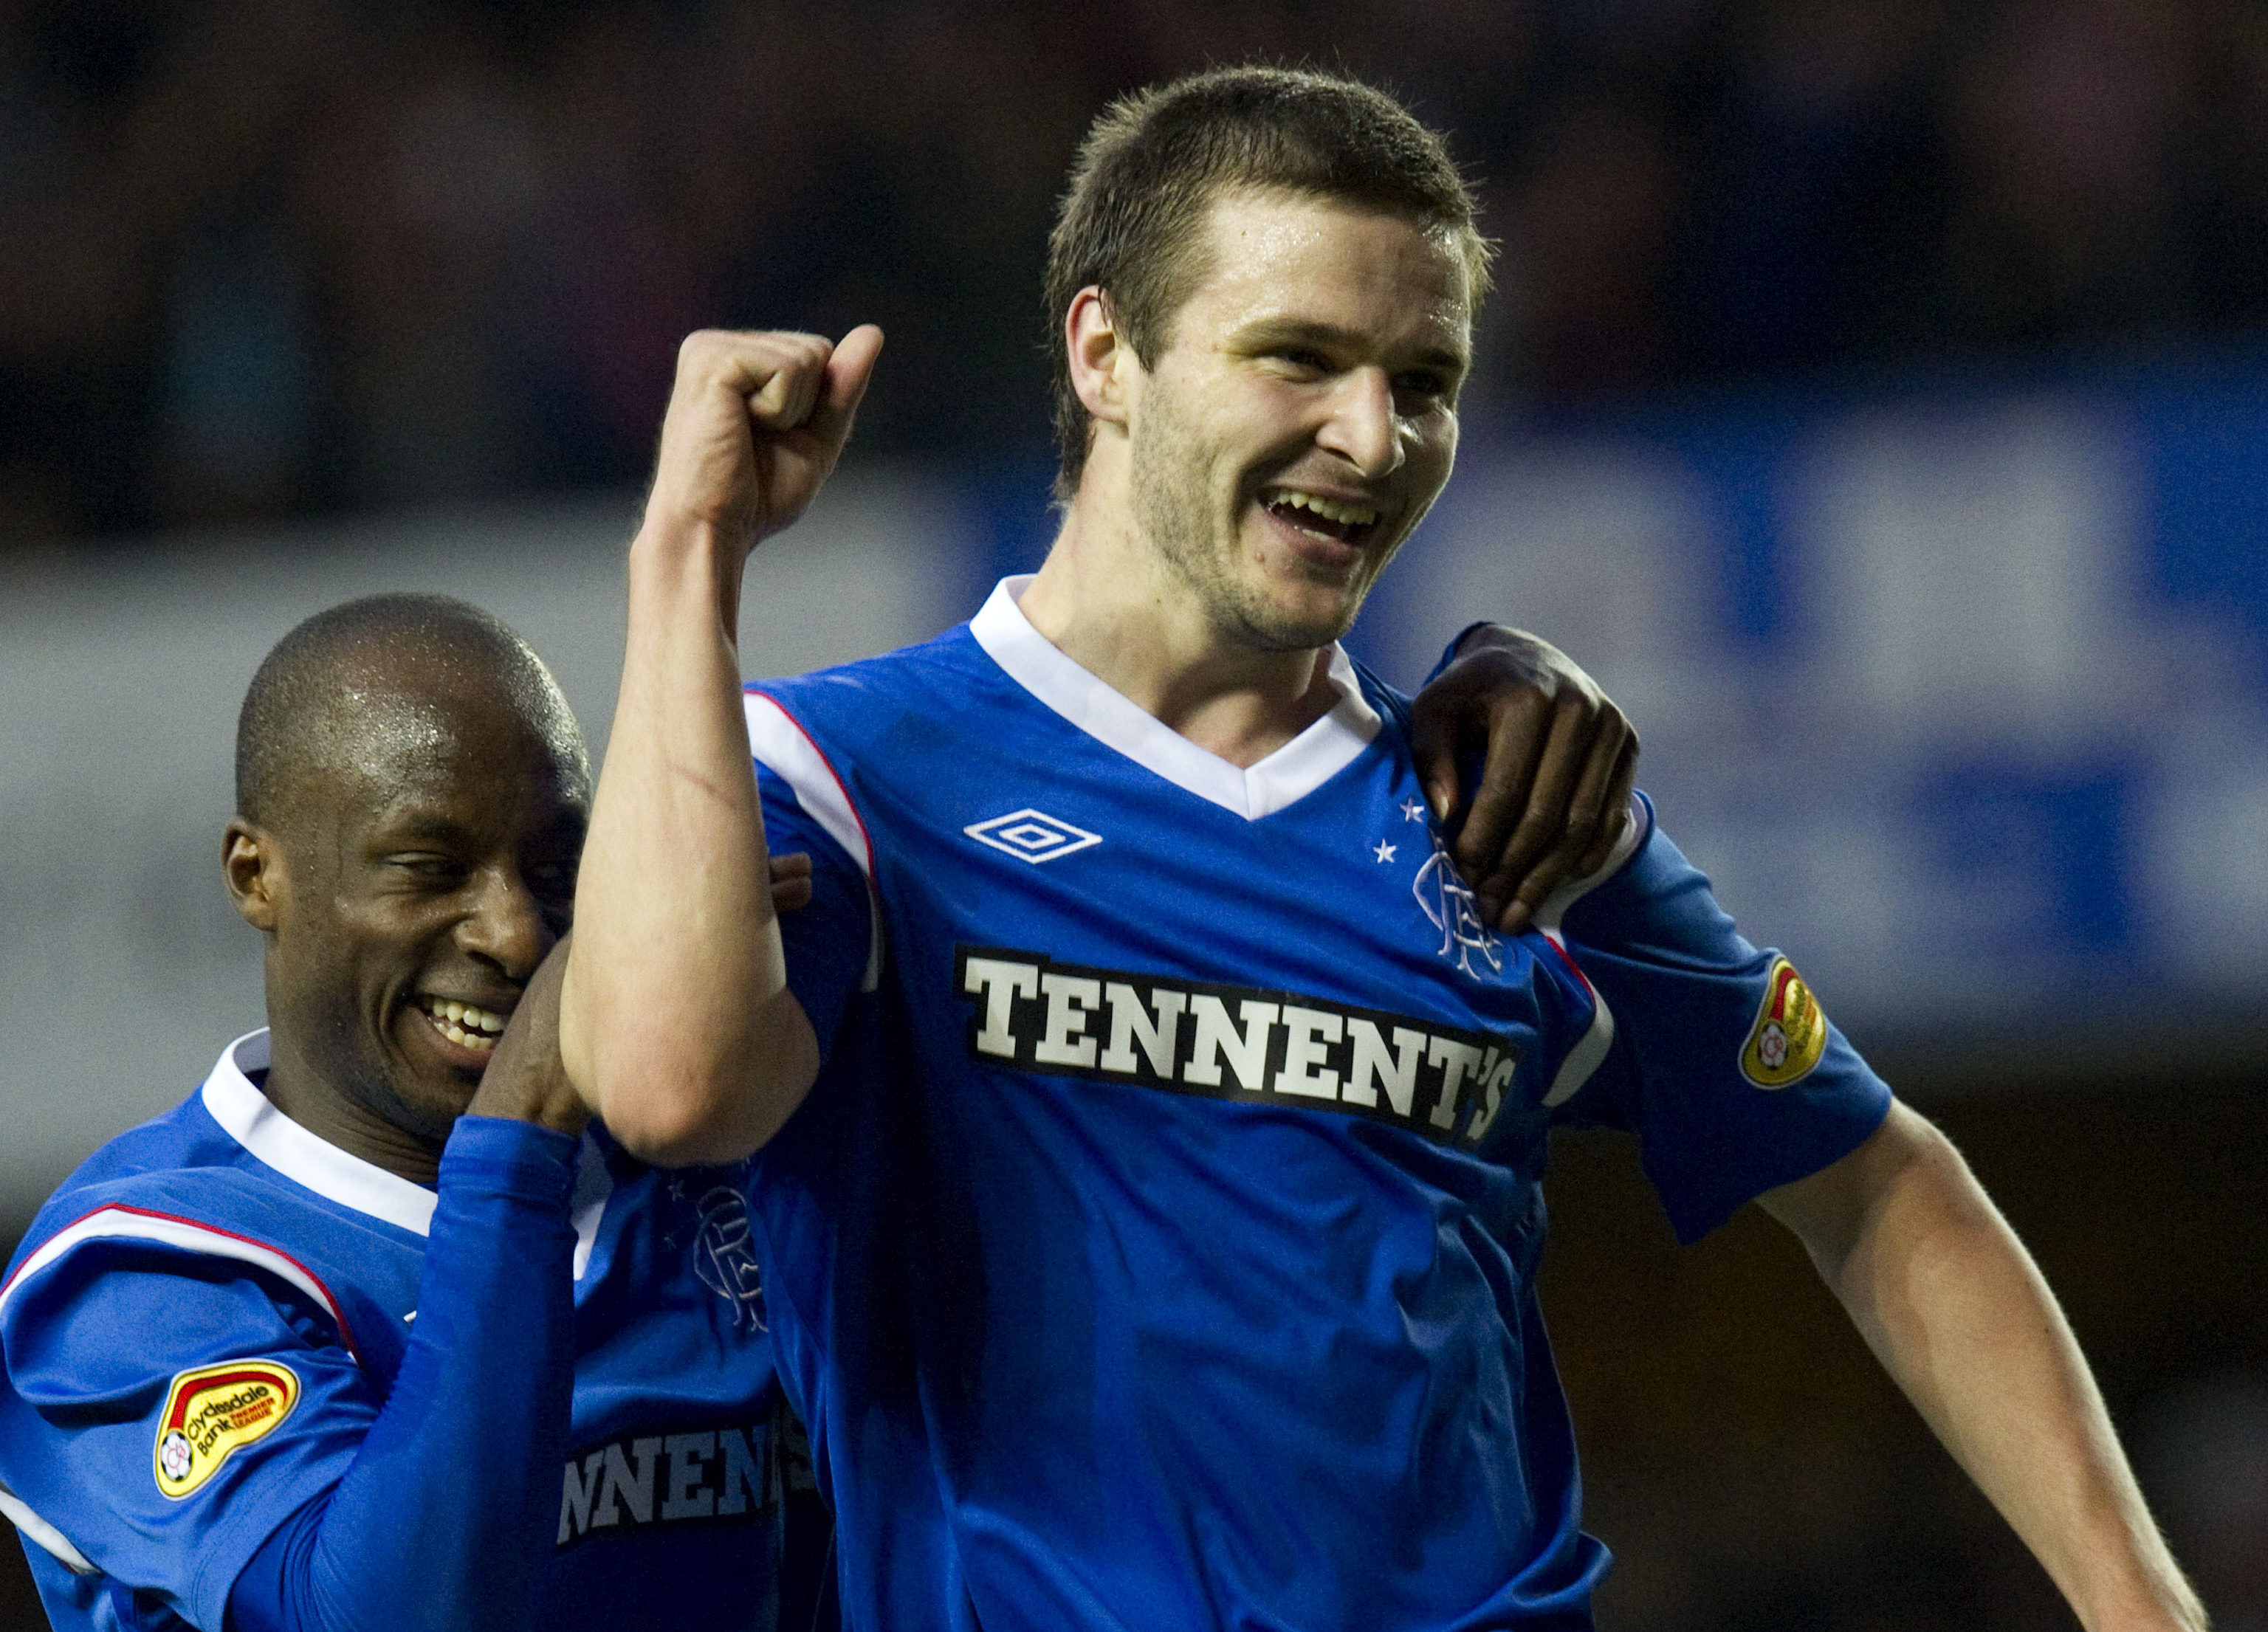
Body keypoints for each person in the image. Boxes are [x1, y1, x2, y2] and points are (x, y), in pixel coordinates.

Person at [560, 63, 2204, 1632]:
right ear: (1104, 352)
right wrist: (689, 552)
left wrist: (2141, 1601)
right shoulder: (847, 775)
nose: (1375, 436)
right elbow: (671, 1082)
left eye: (1426, 384)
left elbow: (1876, 1178)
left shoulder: (1508, 809)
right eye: (1299, 358)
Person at [0, 596, 831, 1632]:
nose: (518, 938)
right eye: (430, 871)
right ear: (258, 878)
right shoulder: (134, 1275)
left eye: (556, 872)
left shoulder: (698, 1163)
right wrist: (520, 1127)